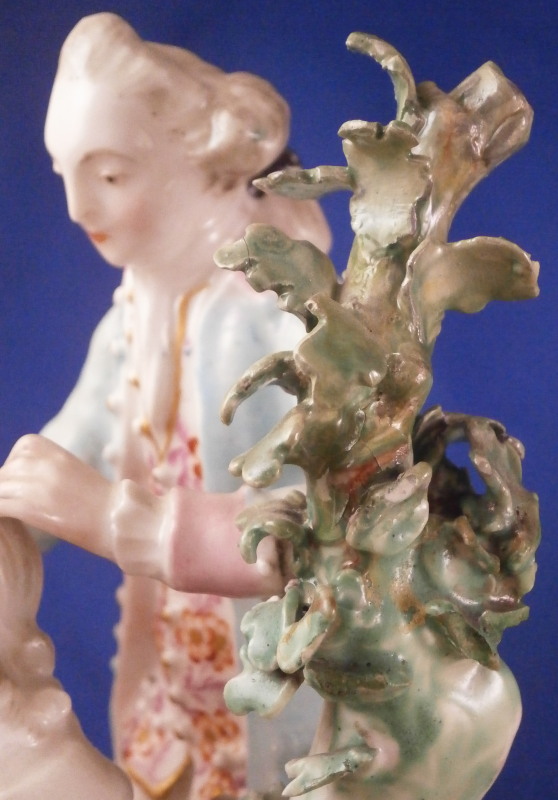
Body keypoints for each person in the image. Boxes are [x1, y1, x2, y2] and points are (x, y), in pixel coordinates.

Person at [0, 13, 330, 800]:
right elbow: (74, 443)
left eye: (110, 176)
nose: (76, 206)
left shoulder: (269, 323)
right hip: (177, 677)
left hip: (273, 692)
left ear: (203, 165)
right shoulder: (136, 312)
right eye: (63, 173)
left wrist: (106, 515)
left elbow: (305, 536)